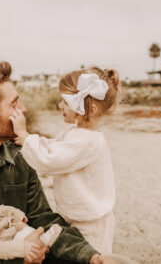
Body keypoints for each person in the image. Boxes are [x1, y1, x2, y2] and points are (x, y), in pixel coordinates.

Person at [0, 61, 117, 264]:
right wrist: (20, 257)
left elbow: (43, 219)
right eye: (14, 104)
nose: (24, 109)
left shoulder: (21, 158)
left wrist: (91, 256)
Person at [10, 67, 119, 255]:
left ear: (89, 110)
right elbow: (55, 146)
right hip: (78, 218)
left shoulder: (88, 140)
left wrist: (24, 134)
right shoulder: (77, 132)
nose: (60, 105)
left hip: (91, 224)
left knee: (89, 256)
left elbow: (49, 160)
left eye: (66, 102)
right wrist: (29, 141)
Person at [0, 194, 62, 261]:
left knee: (25, 229)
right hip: (10, 241)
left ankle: (43, 241)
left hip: (14, 225)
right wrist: (22, 248)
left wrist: (17, 214)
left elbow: (1, 209)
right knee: (27, 240)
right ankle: (44, 240)